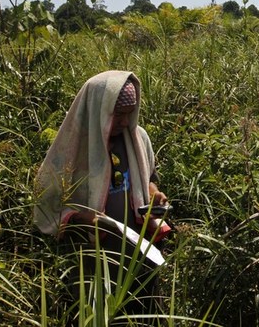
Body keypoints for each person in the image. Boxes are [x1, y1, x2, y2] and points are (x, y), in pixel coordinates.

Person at [34, 70, 171, 320]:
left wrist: (154, 195)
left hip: (135, 250)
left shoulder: (138, 138)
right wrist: (84, 218)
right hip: (92, 255)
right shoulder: (73, 148)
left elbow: (150, 176)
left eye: (130, 113)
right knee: (96, 313)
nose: (124, 121)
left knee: (142, 311)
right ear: (98, 109)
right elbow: (48, 202)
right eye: (118, 114)